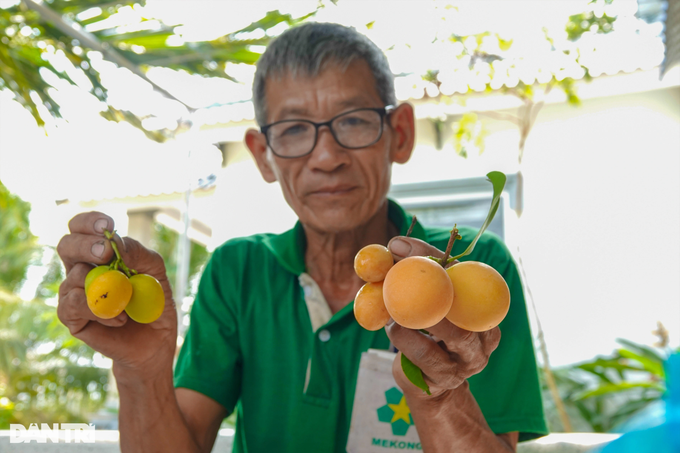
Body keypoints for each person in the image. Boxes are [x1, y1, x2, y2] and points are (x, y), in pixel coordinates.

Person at [56, 22, 547, 453]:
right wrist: (141, 369)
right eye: (293, 130)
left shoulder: (472, 272)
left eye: (353, 121)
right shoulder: (238, 272)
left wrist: (439, 394)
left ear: (399, 133)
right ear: (263, 154)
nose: (326, 156)